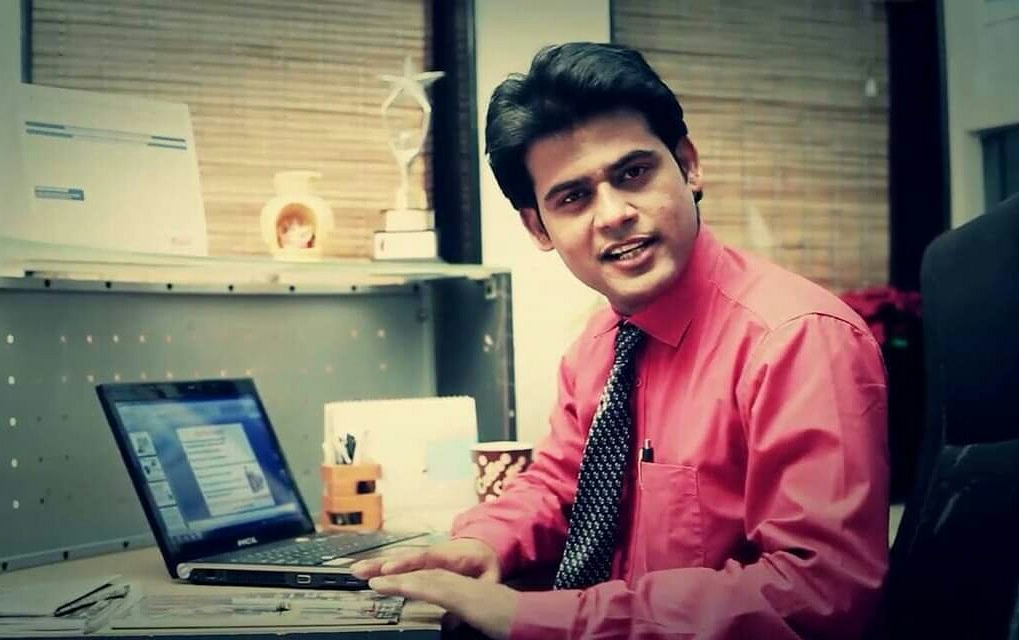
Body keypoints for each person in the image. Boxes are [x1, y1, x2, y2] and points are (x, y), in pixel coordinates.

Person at [352, 42, 889, 639]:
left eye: (633, 173)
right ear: (538, 227)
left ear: (688, 166)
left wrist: (536, 619)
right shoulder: (600, 344)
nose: (612, 214)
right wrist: (485, 542)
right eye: (573, 197)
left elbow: (819, 593)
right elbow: (561, 485)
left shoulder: (798, 342)